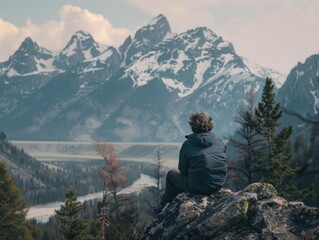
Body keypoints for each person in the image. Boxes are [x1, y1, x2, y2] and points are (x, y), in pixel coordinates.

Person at [159, 112, 227, 211]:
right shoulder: (219, 141)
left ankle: (165, 207)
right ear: (210, 125)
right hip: (217, 184)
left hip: (197, 187)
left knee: (171, 175)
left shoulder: (188, 144)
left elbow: (182, 169)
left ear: (192, 126)